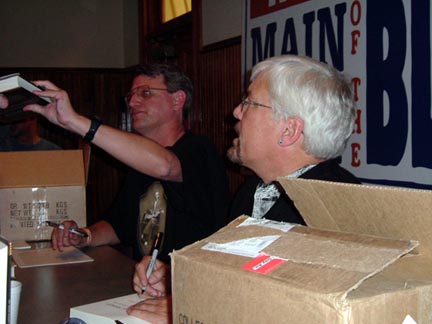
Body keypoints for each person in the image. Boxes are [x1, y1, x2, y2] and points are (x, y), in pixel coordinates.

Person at [128, 55, 361, 323]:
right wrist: (174, 280)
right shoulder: (254, 190)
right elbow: (235, 277)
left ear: (289, 129)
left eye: (249, 103)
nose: (237, 112)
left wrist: (192, 308)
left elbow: (300, 313)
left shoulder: (333, 210)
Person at [2, 63, 230, 265]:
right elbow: (118, 226)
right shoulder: (137, 161)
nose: (132, 102)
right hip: (146, 284)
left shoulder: (199, 149)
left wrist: (75, 121)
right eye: (130, 96)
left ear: (178, 100)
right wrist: (83, 235)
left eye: (145, 93)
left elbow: (166, 166)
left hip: (189, 287)